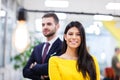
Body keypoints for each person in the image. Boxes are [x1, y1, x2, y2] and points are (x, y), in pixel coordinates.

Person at [23, 13, 62, 80]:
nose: (45, 27)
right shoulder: (37, 48)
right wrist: (40, 77)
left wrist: (35, 67)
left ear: (57, 26)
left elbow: (56, 68)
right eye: (43, 25)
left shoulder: (63, 47)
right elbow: (25, 71)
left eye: (49, 24)